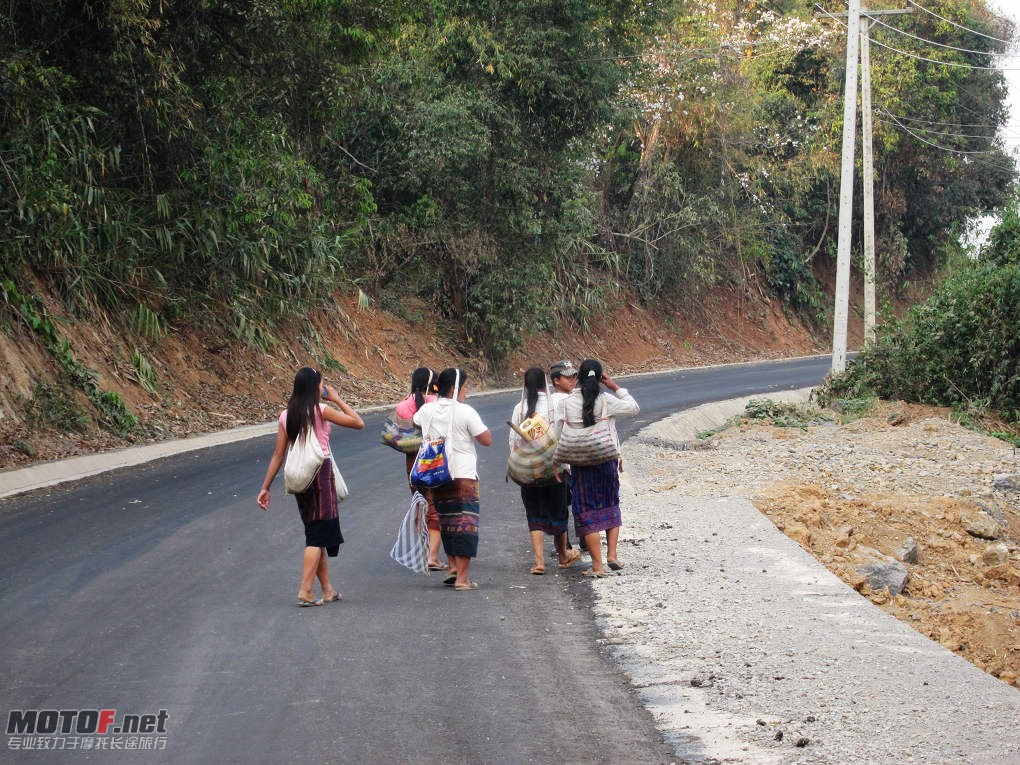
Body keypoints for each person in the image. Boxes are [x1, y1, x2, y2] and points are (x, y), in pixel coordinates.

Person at [257, 367, 365, 606]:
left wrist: (265, 487)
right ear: (316, 387)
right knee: (317, 536)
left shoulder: (286, 415)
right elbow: (358, 423)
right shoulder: (322, 410)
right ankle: (305, 590)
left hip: (300, 476)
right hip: (319, 473)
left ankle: (327, 589)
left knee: (315, 531)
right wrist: (336, 398)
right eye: (321, 384)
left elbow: (278, 454)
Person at [554, 359, 638, 578]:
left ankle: (597, 566)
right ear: (600, 378)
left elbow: (556, 436)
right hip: (607, 461)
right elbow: (633, 408)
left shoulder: (566, 403)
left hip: (581, 465)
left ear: (578, 378)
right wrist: (614, 386)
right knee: (610, 503)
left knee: (586, 511)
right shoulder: (606, 400)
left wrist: (556, 463)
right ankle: (612, 555)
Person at [413, 368, 491, 590]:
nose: (466, 392)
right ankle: (462, 579)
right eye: (465, 387)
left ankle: (453, 567)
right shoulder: (465, 411)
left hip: (438, 475)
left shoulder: (427, 409)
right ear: (455, 388)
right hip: (463, 475)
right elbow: (485, 439)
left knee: (447, 523)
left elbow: (415, 420)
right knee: (466, 524)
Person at [509, 367, 581, 574]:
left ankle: (539, 562)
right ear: (546, 383)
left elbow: (513, 442)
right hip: (554, 469)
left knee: (534, 514)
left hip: (529, 471)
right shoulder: (558, 403)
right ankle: (562, 556)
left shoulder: (519, 408)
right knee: (559, 512)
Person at [394, 367, 445, 571]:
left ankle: (425, 551)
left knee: (420, 503)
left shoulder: (403, 406)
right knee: (435, 507)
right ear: (434, 384)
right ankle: (433, 556)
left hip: (412, 461)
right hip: (433, 459)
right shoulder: (437, 404)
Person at [548, 359, 584, 553]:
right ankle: (584, 538)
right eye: (567, 376)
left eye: (574, 375)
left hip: (559, 458)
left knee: (561, 504)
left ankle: (563, 544)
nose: (572, 379)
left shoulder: (549, 401)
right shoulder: (566, 401)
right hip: (569, 458)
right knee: (578, 500)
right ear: (556, 380)